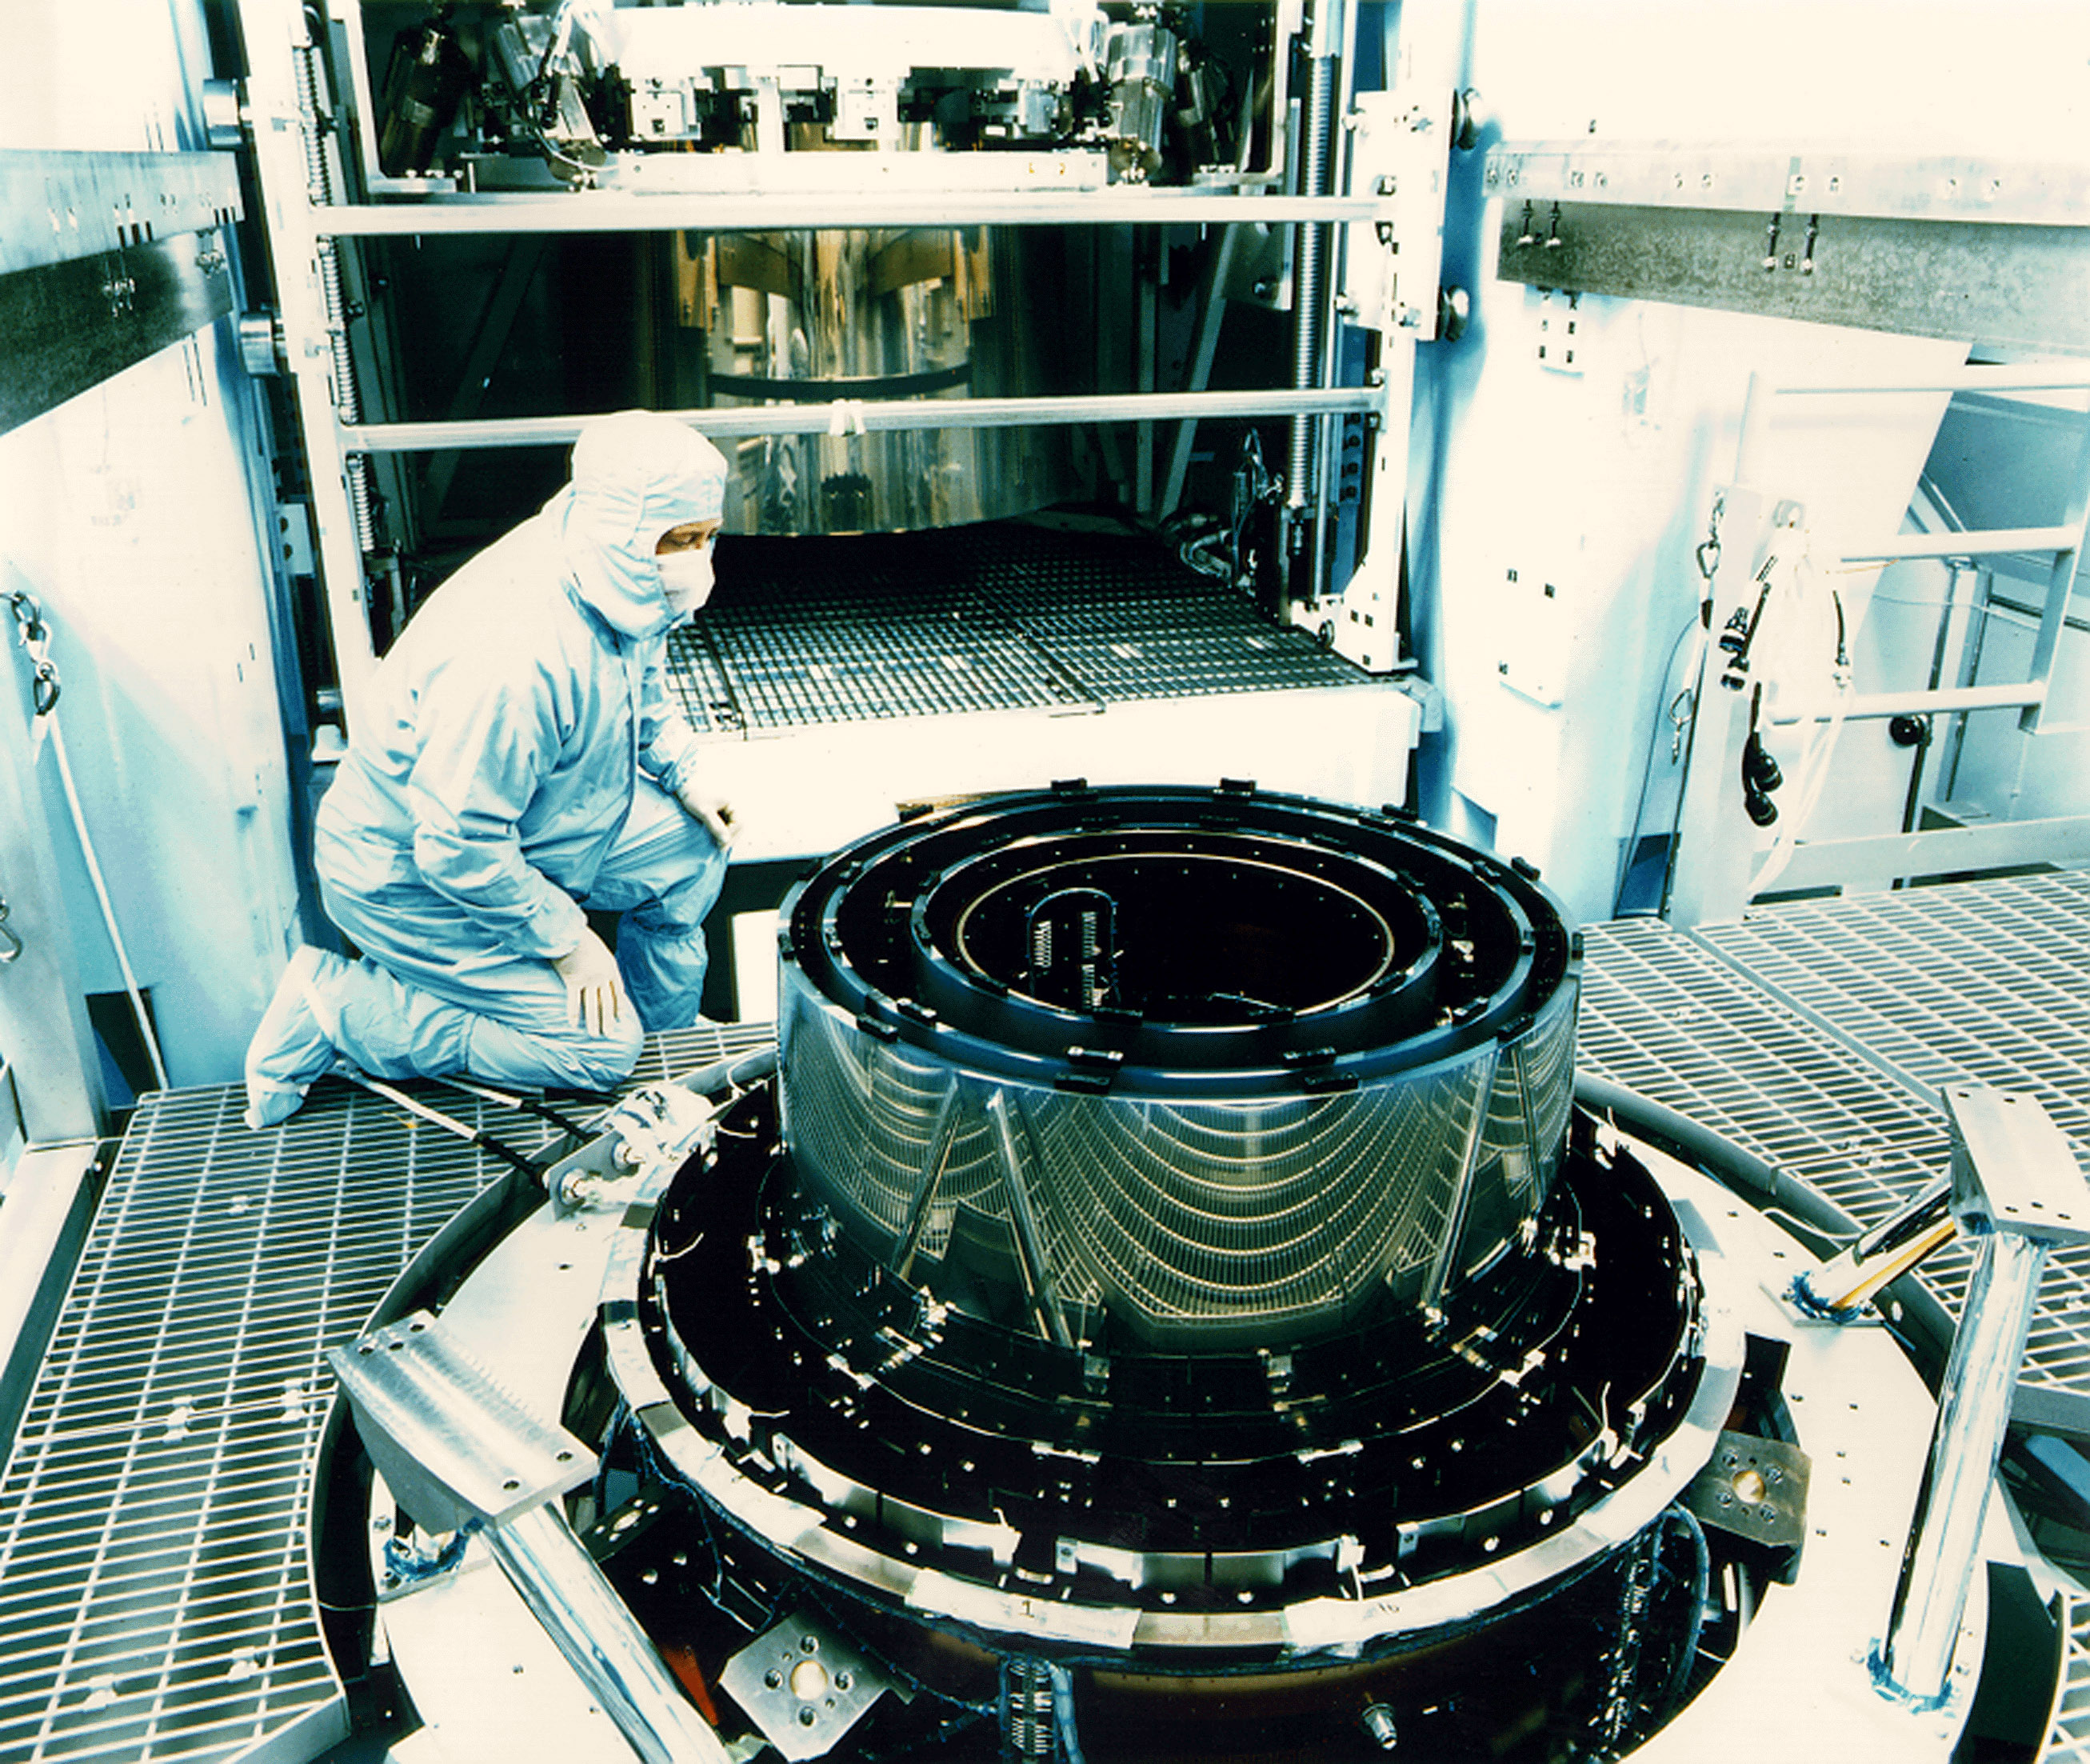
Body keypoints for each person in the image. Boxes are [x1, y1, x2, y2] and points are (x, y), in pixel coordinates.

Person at [242, 409, 737, 1130]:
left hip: (531, 828)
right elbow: (457, 845)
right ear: (622, 530)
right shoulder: (513, 657)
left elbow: (642, 675)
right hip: (409, 878)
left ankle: (665, 1043)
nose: (696, 558)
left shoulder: (614, 567)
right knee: (598, 1052)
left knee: (691, 850)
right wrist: (569, 945)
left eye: (707, 536)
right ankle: (339, 1007)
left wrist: (684, 771)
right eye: (681, 540)